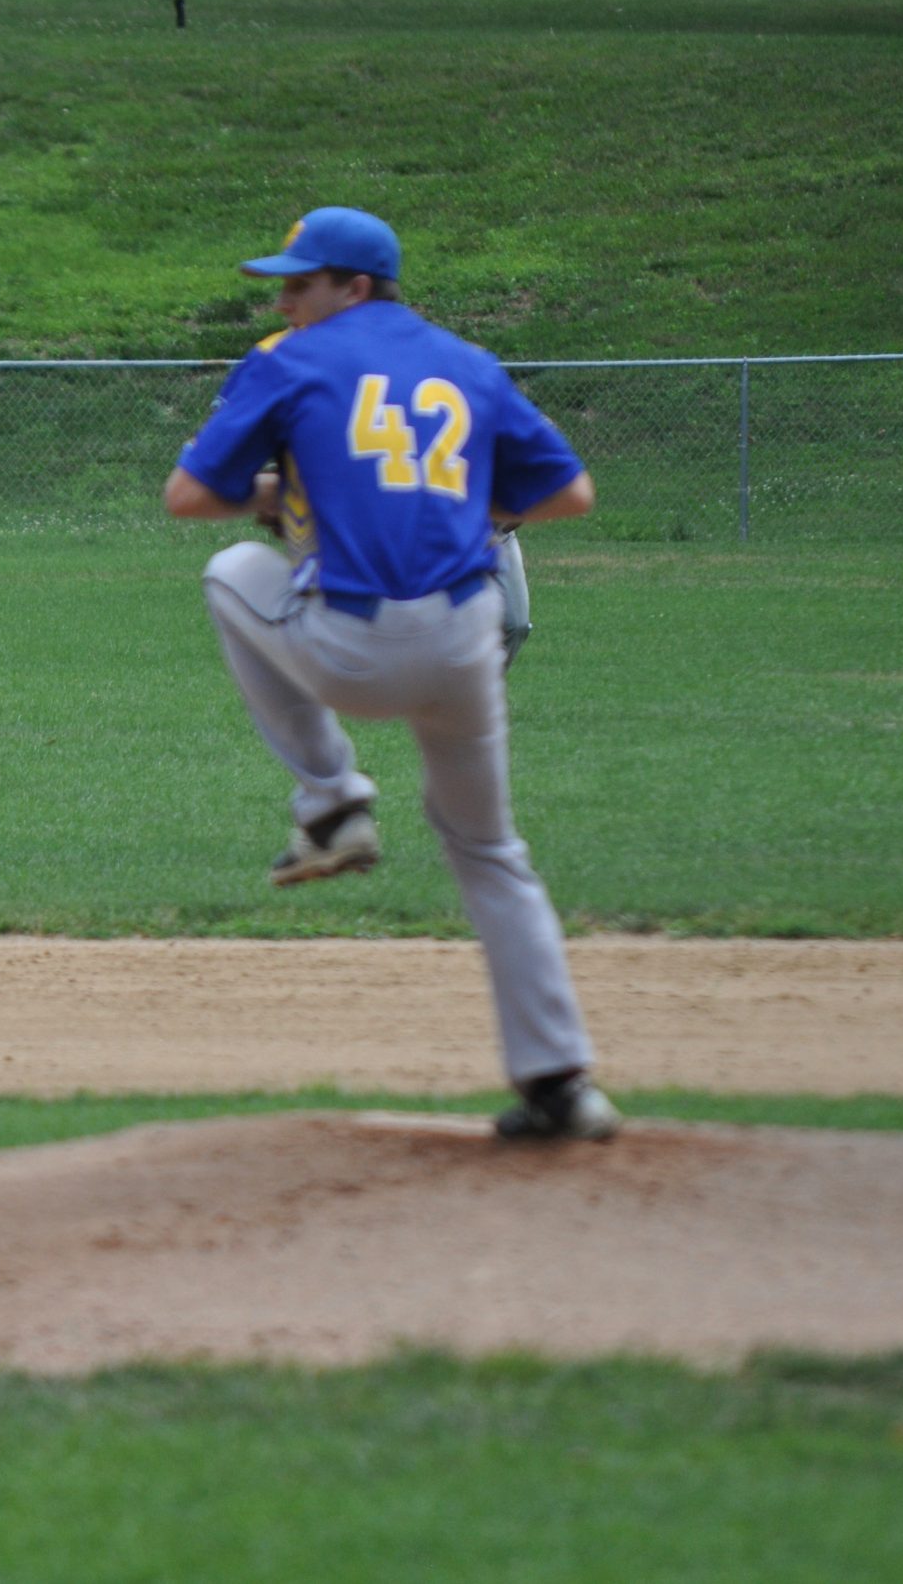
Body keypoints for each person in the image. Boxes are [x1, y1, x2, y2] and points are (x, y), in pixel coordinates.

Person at [164, 207, 617, 1141]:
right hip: (464, 640)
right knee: (490, 850)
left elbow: (189, 498)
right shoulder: (466, 362)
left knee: (230, 573)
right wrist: (438, 496)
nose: (284, 299)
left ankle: (330, 798)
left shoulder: (291, 361)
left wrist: (287, 492)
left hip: (354, 644)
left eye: (300, 281)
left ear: (355, 286)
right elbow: (569, 494)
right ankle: (563, 1086)